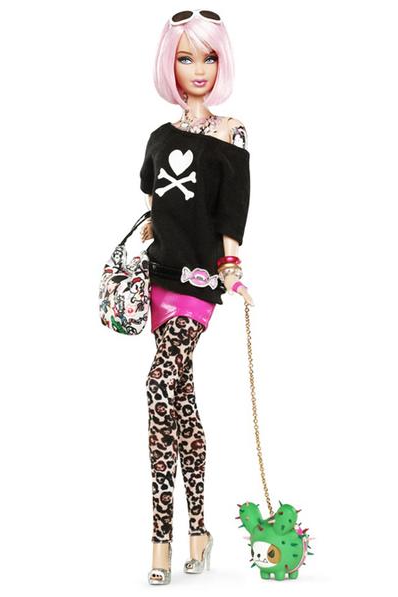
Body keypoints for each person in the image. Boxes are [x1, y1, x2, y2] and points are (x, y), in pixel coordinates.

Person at [138, 9, 254, 585]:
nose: (199, 68)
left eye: (208, 57)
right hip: (159, 279)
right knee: (179, 402)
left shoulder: (231, 132)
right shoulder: (160, 138)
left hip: (199, 284)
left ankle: (159, 542)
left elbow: (232, 208)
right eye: (186, 57)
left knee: (158, 386)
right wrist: (151, 228)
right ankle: (198, 531)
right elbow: (153, 195)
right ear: (171, 65)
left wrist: (231, 267)